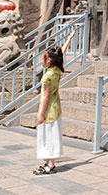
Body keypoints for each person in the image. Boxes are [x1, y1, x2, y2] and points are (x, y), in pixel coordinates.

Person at [34, 43, 66, 175]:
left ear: (49, 60)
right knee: (51, 134)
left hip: (48, 110)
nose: (41, 61)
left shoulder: (47, 76)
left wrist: (41, 115)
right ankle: (48, 161)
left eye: (43, 59)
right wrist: (69, 39)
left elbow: (46, 97)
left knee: (48, 136)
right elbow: (61, 53)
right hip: (56, 107)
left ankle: (51, 163)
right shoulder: (56, 70)